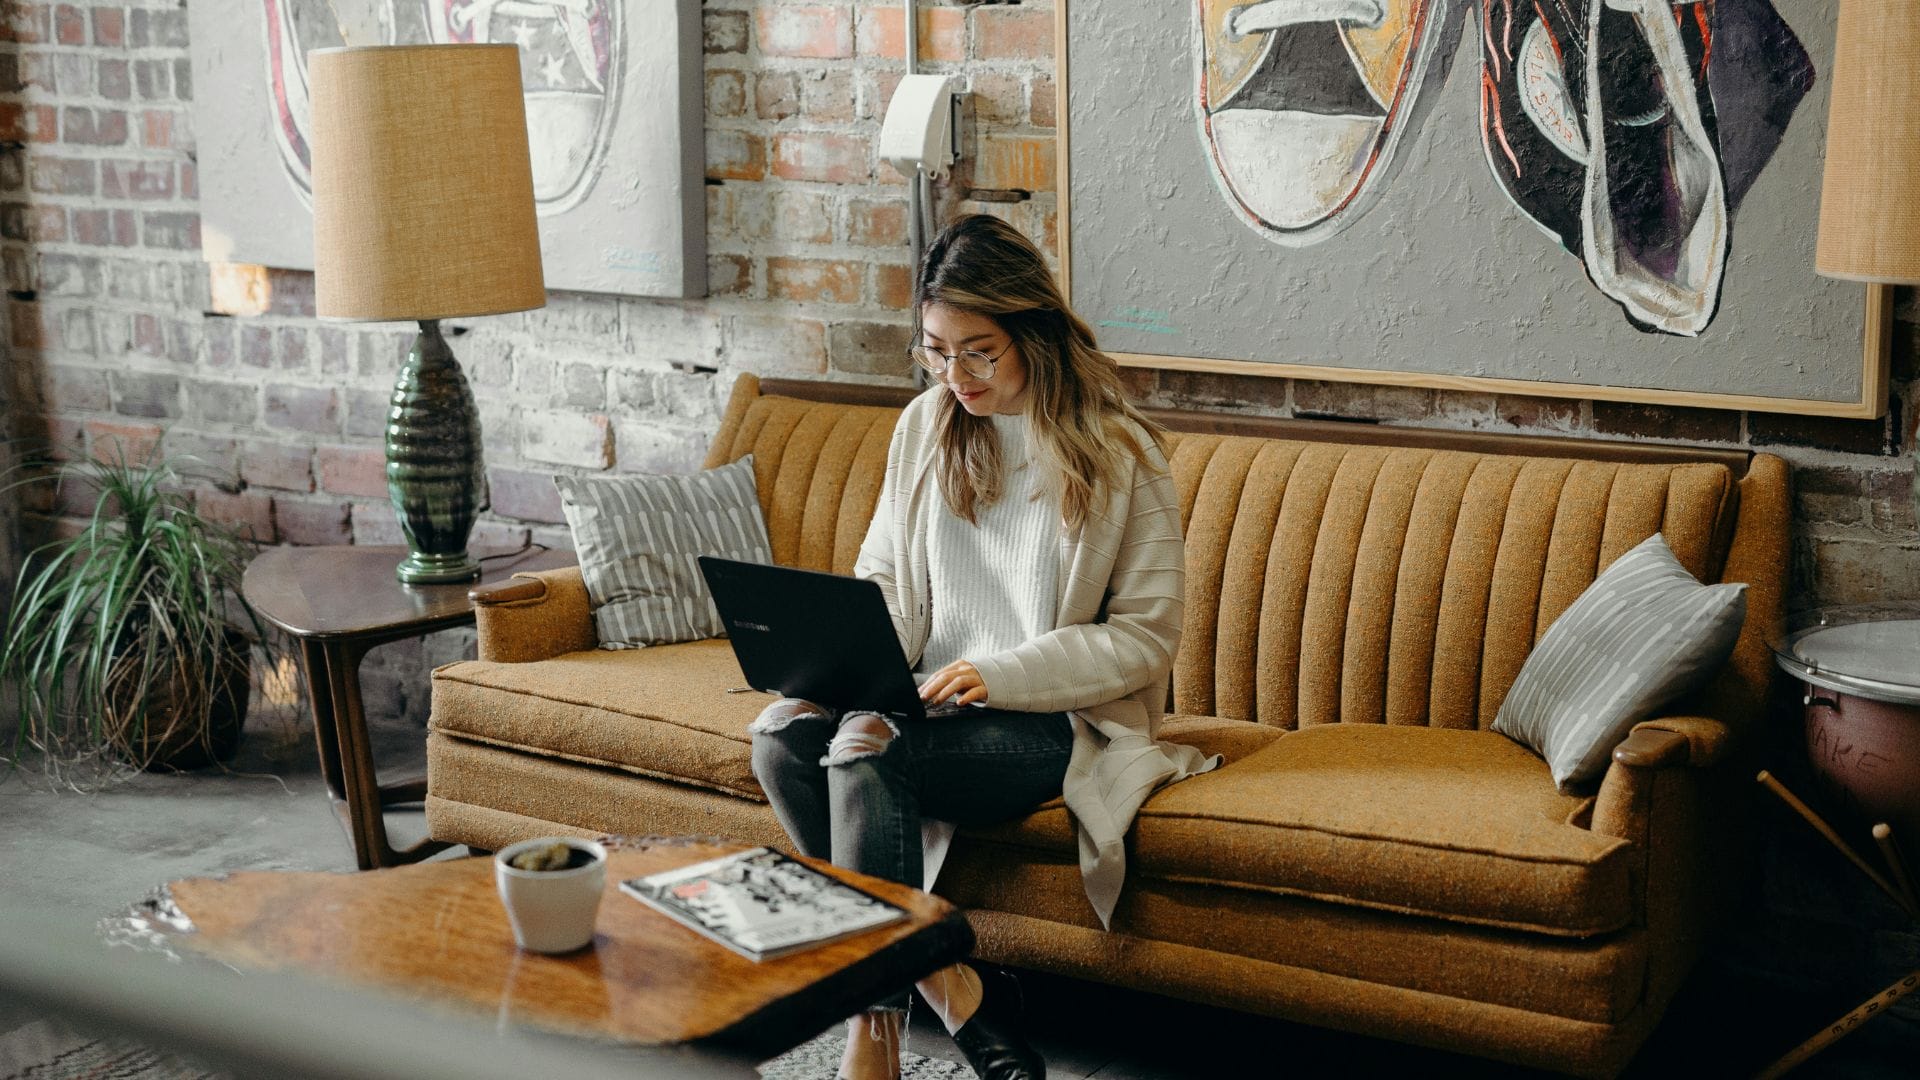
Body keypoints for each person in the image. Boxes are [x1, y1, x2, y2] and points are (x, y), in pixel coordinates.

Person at [748, 215, 1219, 1080]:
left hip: (1050, 720)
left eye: (979, 352)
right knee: (781, 734)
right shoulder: (925, 428)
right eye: (935, 351)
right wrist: (853, 663)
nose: (954, 376)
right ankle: (952, 982)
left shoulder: (1122, 452)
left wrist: (993, 675)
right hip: (922, 700)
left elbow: (1145, 639)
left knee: (864, 748)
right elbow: (883, 581)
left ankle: (873, 1034)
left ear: (1032, 332)